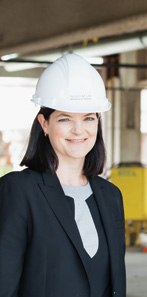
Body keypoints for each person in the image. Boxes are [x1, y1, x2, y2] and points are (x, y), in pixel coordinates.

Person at [0, 54, 126, 297]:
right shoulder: (18, 190)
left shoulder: (111, 196)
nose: (79, 130)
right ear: (44, 123)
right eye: (65, 118)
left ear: (98, 121)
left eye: (88, 118)